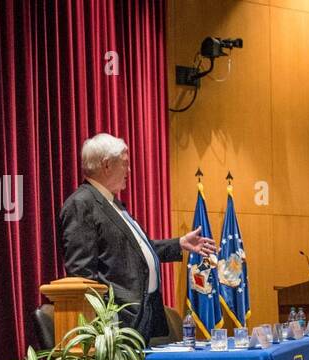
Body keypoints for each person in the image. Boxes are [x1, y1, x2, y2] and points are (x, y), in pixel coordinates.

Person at [59, 133, 216, 341]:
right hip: (118, 323)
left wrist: (179, 244)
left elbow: (136, 252)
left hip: (142, 315)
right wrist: (105, 324)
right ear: (106, 165)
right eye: (125, 164)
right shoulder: (82, 203)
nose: (129, 171)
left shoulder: (112, 203)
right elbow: (81, 277)